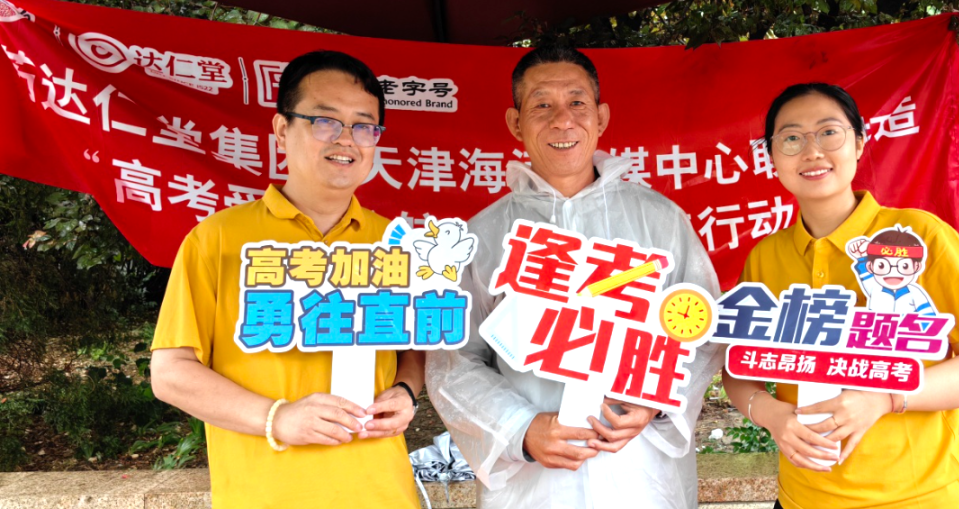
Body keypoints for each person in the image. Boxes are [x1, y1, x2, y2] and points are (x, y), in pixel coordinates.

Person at [425, 45, 724, 508]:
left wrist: (657, 400)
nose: (563, 120)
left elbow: (702, 333)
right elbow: (453, 361)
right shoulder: (482, 236)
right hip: (531, 488)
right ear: (515, 122)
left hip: (640, 478)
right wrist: (519, 428)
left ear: (601, 117)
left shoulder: (659, 221)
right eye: (542, 104)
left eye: (577, 102)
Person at [149, 51, 423, 508]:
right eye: (325, 121)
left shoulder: (396, 242)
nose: (346, 139)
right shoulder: (218, 239)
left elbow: (415, 347)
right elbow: (170, 374)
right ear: (281, 129)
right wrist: (277, 418)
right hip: (265, 496)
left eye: (364, 126)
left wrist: (407, 392)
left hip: (384, 493)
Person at [722, 84, 959, 509]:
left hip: (920, 498)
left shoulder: (921, 237)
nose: (812, 151)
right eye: (791, 137)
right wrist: (769, 413)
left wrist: (887, 398)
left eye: (829, 132)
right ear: (771, 156)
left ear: (859, 142)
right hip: (801, 498)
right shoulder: (766, 257)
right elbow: (738, 364)